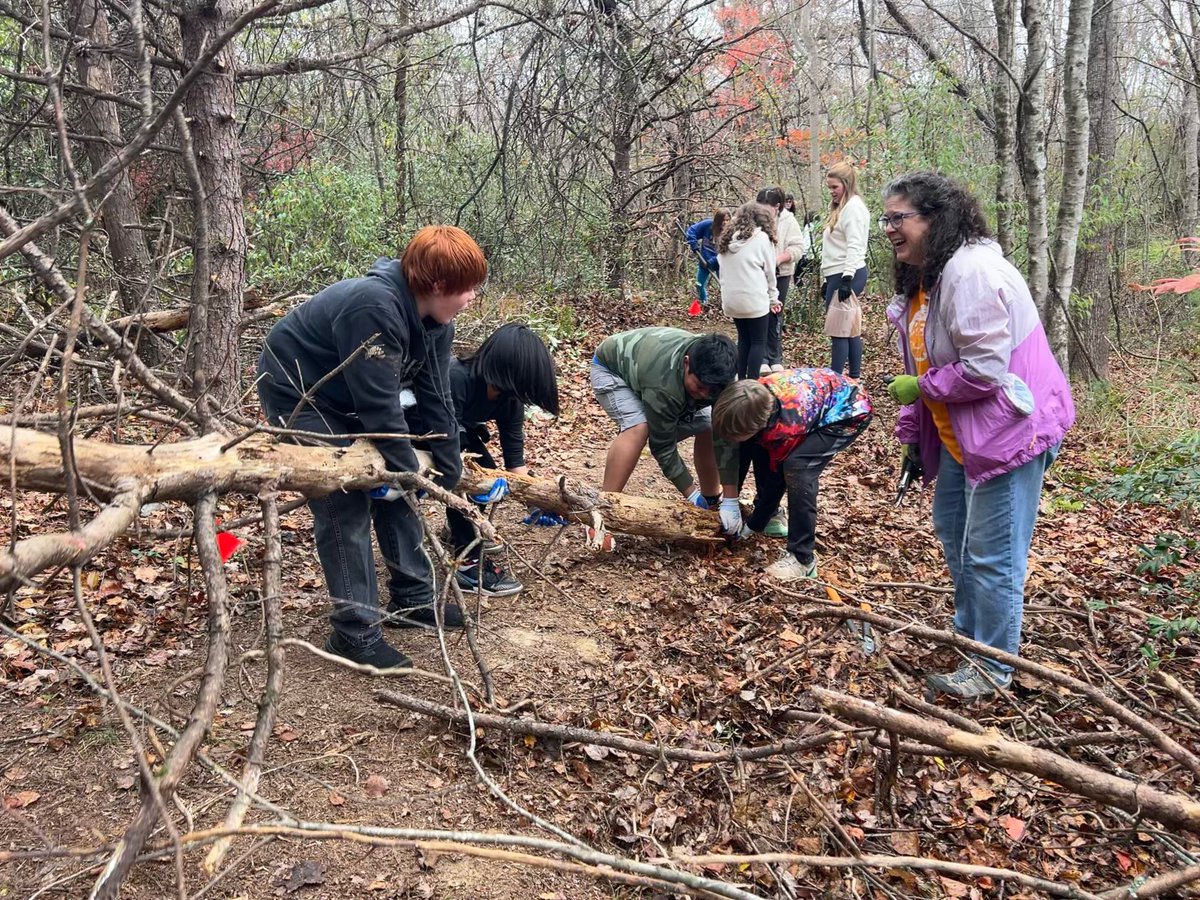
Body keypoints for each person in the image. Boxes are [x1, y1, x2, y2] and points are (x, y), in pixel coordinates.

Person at [880, 172, 1075, 700]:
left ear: (935, 218)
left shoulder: (970, 272)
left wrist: (920, 388)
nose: (890, 229)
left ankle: (992, 666)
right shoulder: (927, 276)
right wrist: (912, 433)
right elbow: (923, 360)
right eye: (886, 219)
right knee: (953, 530)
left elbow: (984, 369)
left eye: (899, 218)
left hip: (1010, 431)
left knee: (993, 553)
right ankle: (971, 638)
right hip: (962, 434)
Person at [257, 225, 486, 669]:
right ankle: (354, 631)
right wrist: (409, 473)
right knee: (344, 499)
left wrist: (447, 463)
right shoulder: (373, 306)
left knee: (398, 487)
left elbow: (437, 395)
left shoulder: (436, 322)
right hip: (299, 394)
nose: (472, 297)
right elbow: (380, 408)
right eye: (468, 288)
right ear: (437, 284)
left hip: (348, 396)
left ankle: (413, 599)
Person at [411, 323, 561, 599]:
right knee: (469, 479)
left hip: (456, 433)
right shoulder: (456, 377)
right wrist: (470, 481)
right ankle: (467, 564)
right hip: (419, 430)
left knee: (485, 472)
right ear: (510, 370)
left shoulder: (509, 399)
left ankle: (456, 531)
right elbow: (444, 439)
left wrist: (539, 499)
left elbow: (515, 462)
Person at [712, 370, 872, 581]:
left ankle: (802, 559)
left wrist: (754, 524)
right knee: (756, 445)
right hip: (817, 395)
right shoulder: (748, 400)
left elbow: (777, 479)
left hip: (848, 411)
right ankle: (771, 516)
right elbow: (740, 452)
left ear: (760, 424)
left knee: (798, 468)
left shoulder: (786, 428)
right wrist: (729, 502)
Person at [591, 329, 737, 545]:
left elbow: (726, 435)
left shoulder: (722, 376)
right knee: (639, 428)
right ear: (686, 363)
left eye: (713, 391)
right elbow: (662, 446)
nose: (705, 395)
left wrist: (731, 499)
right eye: (700, 387)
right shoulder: (664, 386)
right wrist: (691, 495)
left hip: (650, 370)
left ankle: (712, 500)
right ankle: (601, 513)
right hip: (611, 369)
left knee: (710, 425)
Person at [820, 161, 870, 380]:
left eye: (835, 187)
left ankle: (837, 379)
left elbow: (854, 245)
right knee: (848, 329)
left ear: (846, 184)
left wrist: (847, 278)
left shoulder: (853, 208)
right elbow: (835, 248)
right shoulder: (843, 207)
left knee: (839, 329)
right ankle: (853, 378)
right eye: (829, 187)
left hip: (847, 273)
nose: (831, 191)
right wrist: (827, 280)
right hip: (837, 273)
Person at [718, 202, 778, 380]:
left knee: (744, 339)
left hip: (732, 300)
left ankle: (741, 379)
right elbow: (770, 272)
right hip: (754, 299)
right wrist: (773, 297)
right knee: (758, 341)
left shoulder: (727, 239)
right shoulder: (762, 238)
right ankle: (752, 382)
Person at [756, 187, 806, 374]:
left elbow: (798, 247)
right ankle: (761, 357)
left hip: (780, 273)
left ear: (777, 206)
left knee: (775, 314)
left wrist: (778, 259)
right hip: (757, 274)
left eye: (766, 207)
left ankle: (775, 356)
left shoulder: (788, 220)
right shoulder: (752, 220)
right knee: (759, 312)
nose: (762, 211)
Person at [685, 210, 727, 309]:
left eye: (727, 220)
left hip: (722, 264)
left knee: (725, 287)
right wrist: (694, 245)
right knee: (699, 285)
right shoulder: (708, 225)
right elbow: (692, 230)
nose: (725, 223)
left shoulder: (731, 233)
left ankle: (725, 306)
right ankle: (704, 303)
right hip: (704, 262)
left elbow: (727, 252)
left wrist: (712, 262)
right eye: (722, 220)